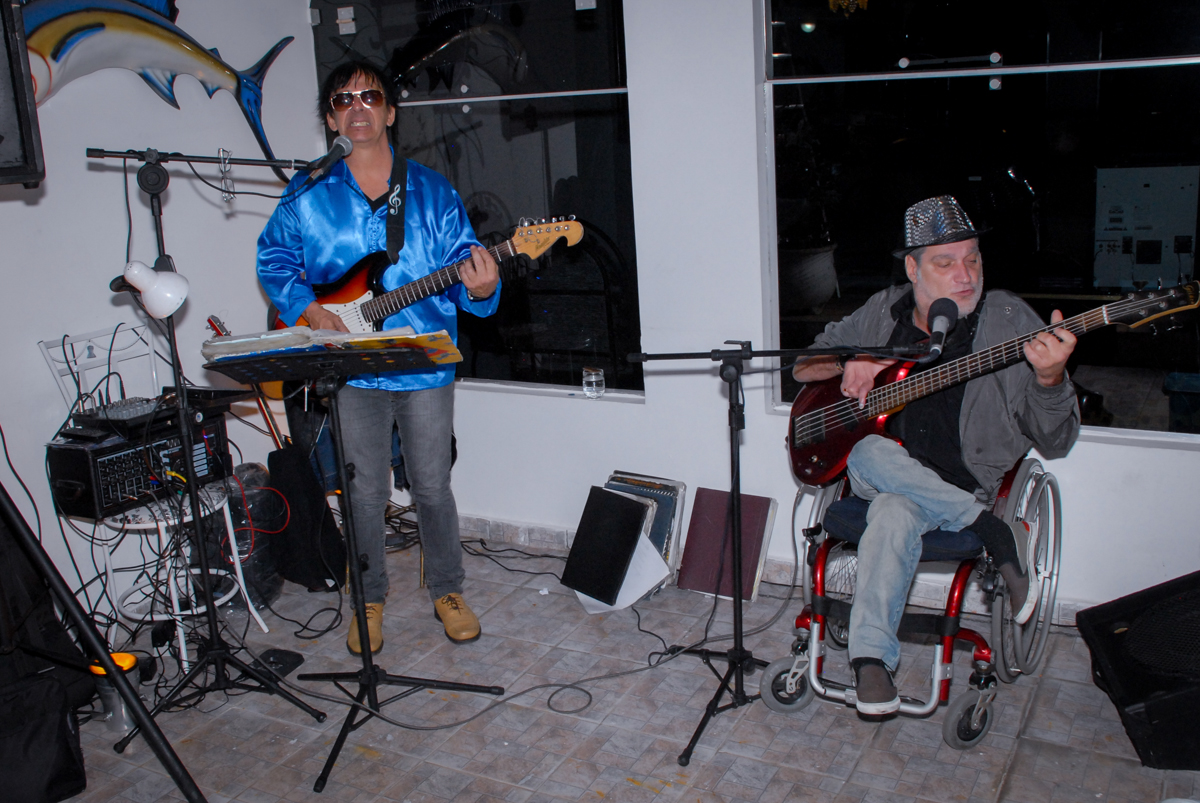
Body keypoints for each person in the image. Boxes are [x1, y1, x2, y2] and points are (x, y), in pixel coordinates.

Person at [791, 196, 1079, 715]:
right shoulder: (883, 311)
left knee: (894, 509)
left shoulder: (1009, 320)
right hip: (876, 469)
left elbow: (1056, 441)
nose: (965, 275)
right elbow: (804, 368)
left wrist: (1050, 377)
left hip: (958, 487)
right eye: (946, 263)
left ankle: (870, 663)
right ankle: (994, 533)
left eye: (973, 260)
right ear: (912, 269)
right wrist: (856, 357)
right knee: (873, 448)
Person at [257, 60, 500, 653]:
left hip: (425, 364)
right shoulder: (307, 192)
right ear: (330, 118)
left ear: (390, 112)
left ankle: (447, 586)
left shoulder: (434, 192)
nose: (357, 107)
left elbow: (470, 272)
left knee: (432, 485)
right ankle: (367, 598)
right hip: (352, 367)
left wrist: (483, 285)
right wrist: (311, 312)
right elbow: (275, 261)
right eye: (343, 99)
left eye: (370, 97)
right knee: (362, 490)